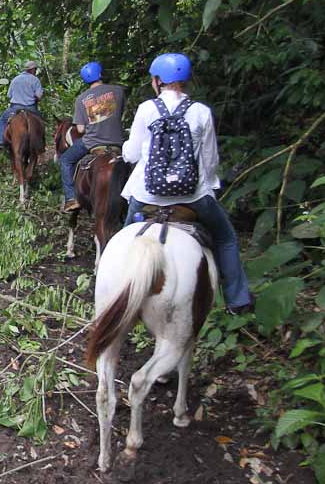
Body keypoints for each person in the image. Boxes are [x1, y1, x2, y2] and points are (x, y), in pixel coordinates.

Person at [120, 52, 254, 314]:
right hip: (193, 197)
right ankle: (238, 301)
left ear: (158, 80)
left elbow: (133, 154)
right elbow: (210, 160)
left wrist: (125, 150)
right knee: (226, 238)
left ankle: (118, 292)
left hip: (147, 197)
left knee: (123, 239)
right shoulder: (201, 112)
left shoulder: (146, 109)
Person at [59, 61, 126, 212]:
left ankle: (71, 199)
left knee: (65, 160)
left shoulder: (81, 99)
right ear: (100, 74)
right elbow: (119, 115)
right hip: (117, 142)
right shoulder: (118, 91)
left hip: (92, 143)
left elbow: (81, 129)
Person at [0, 60, 44, 149]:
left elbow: (9, 95)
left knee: (2, 120)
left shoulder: (15, 79)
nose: (35, 72)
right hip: (31, 108)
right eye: (35, 70)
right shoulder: (35, 80)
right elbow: (39, 96)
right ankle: (41, 144)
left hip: (15, 107)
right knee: (41, 123)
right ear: (32, 70)